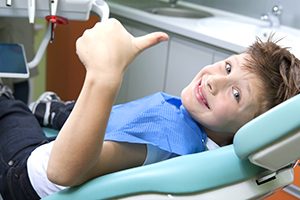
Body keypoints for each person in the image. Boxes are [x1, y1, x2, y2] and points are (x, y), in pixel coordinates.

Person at [0, 18, 299, 200]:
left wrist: (104, 75)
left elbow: (62, 170)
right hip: (69, 146)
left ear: (244, 129)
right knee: (89, 112)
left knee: (12, 109)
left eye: (235, 94)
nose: (214, 81)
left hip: (26, 176)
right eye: (228, 65)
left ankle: (39, 108)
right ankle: (57, 111)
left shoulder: (160, 145)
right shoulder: (204, 141)